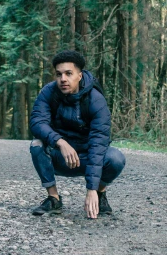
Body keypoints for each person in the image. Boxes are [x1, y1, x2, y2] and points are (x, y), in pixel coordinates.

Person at [29, 50, 126, 219]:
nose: (63, 79)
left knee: (116, 158)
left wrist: (92, 189)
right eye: (59, 74)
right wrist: (60, 142)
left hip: (87, 156)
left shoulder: (95, 99)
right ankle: (53, 198)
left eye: (68, 73)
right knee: (37, 144)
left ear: (79, 76)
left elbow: (98, 143)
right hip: (61, 156)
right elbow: (37, 123)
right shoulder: (48, 92)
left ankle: (100, 194)